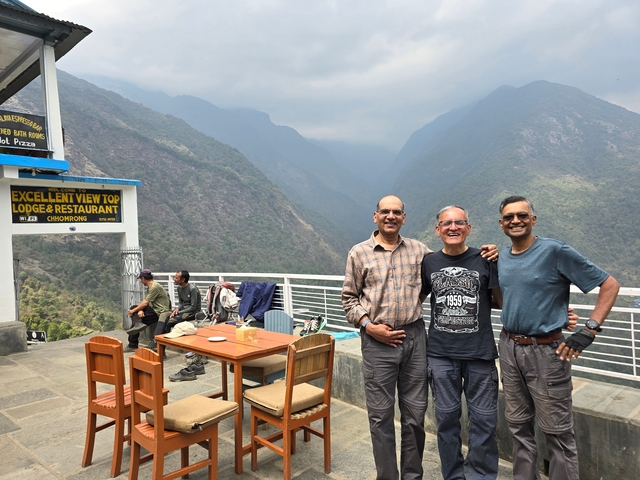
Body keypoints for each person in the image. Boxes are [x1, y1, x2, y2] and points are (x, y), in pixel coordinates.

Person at [342, 195, 497, 480]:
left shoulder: (419, 251)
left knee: (415, 417)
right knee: (380, 417)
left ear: (403, 217)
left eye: (397, 212)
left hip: (414, 338)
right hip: (377, 341)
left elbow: (448, 262)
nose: (391, 216)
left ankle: (412, 476)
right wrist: (367, 325)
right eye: (385, 212)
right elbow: (349, 299)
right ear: (375, 216)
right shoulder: (359, 253)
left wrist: (490, 252)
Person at [496, 195, 620, 480]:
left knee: (557, 431)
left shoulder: (554, 251)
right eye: (509, 217)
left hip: (547, 351)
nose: (516, 221)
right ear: (501, 223)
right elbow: (510, 298)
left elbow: (609, 284)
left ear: (533, 219)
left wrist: (589, 329)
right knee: (518, 426)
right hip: (509, 346)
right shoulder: (501, 256)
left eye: (522, 215)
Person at [420, 205, 502, 480]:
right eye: (446, 224)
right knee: (446, 421)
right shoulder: (429, 263)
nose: (452, 227)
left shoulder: (486, 258)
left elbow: (500, 302)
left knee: (484, 421)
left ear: (468, 228)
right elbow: (413, 298)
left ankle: (480, 475)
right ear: (437, 230)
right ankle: (453, 475)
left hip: (480, 354)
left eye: (459, 223)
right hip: (440, 355)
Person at [147, 270, 201, 351]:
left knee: (169, 322)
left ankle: (161, 349)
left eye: (176, 278)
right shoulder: (179, 288)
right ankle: (156, 341)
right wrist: (177, 309)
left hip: (192, 312)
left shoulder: (192, 289)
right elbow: (180, 303)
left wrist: (179, 312)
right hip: (183, 310)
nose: (174, 279)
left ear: (183, 280)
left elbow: (193, 307)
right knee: (165, 316)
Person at [124, 269, 171, 353]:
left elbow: (145, 303)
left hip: (159, 311)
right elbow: (145, 301)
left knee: (133, 311)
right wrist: (140, 310)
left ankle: (133, 344)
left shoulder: (154, 287)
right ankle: (138, 324)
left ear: (143, 278)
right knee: (134, 309)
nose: (141, 281)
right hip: (153, 308)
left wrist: (133, 311)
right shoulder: (150, 287)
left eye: (141, 279)